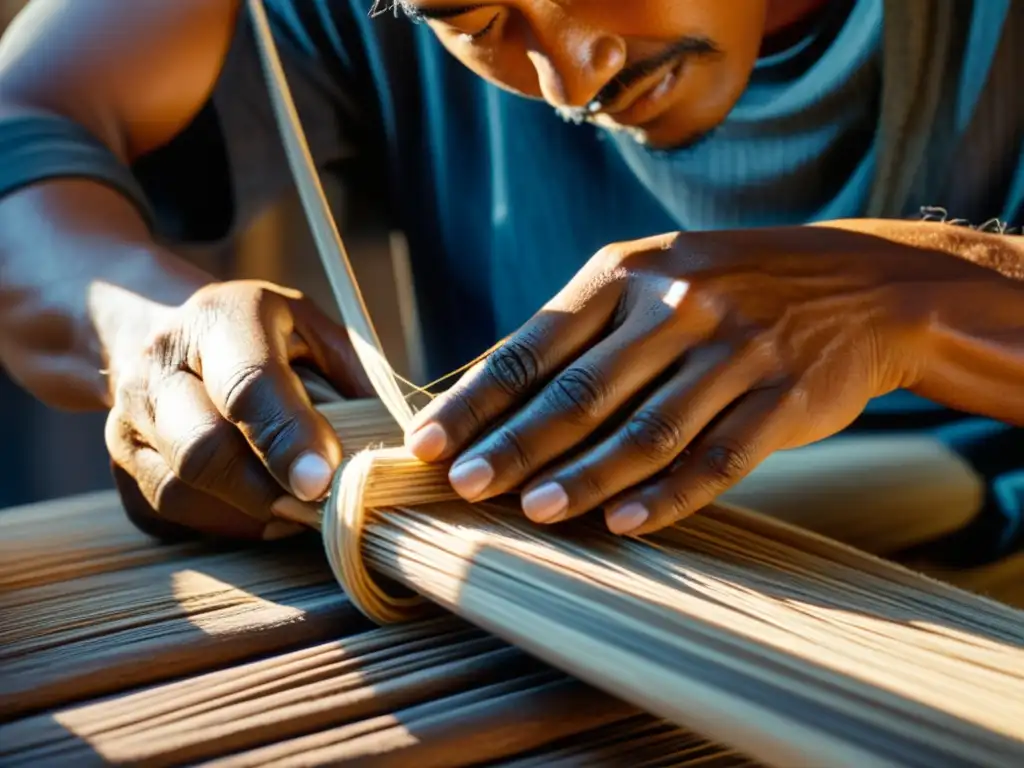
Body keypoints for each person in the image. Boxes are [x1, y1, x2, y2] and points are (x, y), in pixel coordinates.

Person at [0, 0, 1021, 553]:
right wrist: (140, 327)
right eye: (476, 23)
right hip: (572, 625)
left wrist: (927, 291)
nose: (574, 72)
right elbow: (22, 127)